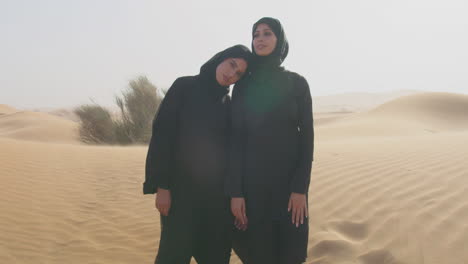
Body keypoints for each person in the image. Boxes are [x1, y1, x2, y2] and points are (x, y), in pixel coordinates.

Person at [143, 45, 252, 264]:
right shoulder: (184, 86)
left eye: (238, 73)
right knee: (173, 255)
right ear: (221, 58)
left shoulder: (229, 105)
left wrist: (235, 195)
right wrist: (162, 186)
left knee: (216, 256)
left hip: (216, 201)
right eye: (232, 64)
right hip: (180, 196)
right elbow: (163, 135)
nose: (231, 74)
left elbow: (232, 153)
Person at [226, 17, 314, 264]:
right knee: (258, 253)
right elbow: (236, 139)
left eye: (267, 33)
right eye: (256, 34)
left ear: (280, 39)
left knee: (291, 254)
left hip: (289, 190)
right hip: (253, 190)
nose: (260, 39)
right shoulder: (243, 86)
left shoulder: (297, 84)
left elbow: (307, 139)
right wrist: (236, 192)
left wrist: (300, 189)